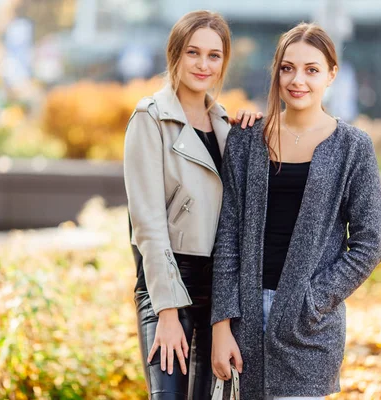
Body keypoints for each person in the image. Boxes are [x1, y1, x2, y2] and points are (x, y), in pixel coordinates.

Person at [210, 22, 381, 400]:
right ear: (275, 70)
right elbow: (227, 235)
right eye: (287, 68)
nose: (297, 80)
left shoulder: (353, 147)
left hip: (311, 330)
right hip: (244, 321)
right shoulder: (246, 140)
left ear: (331, 74)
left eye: (311, 69)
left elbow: (370, 243)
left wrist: (312, 300)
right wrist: (221, 323)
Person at [123, 10, 262, 399]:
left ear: (224, 62)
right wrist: (167, 312)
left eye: (214, 56)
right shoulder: (150, 118)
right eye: (193, 53)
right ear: (176, 55)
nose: (203, 65)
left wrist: (252, 130)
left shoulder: (225, 126)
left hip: (218, 289)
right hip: (168, 283)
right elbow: (147, 226)